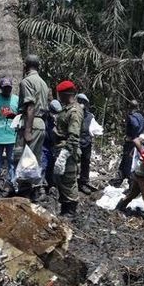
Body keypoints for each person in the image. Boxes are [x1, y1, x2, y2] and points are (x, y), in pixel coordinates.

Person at [14, 55, 50, 197]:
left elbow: (30, 106)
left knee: (23, 158)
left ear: (25, 66)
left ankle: (25, 192)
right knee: (35, 158)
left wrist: (27, 131)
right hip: (40, 124)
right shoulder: (43, 83)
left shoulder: (26, 82)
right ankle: (38, 188)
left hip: (31, 122)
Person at [53, 81, 84, 216]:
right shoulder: (66, 109)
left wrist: (64, 154)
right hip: (61, 147)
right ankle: (65, 208)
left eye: (60, 94)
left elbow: (74, 135)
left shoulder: (74, 111)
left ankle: (71, 210)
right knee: (62, 181)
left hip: (68, 151)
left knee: (69, 180)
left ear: (65, 94)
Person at [116, 133, 144, 223]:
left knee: (133, 193)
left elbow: (132, 153)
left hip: (137, 172)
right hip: (142, 173)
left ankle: (119, 207)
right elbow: (136, 141)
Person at [115, 100, 144, 185]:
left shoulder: (131, 116)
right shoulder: (141, 116)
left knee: (128, 161)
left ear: (130, 107)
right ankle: (120, 178)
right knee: (130, 160)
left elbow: (135, 125)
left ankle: (130, 182)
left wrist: (133, 136)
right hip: (138, 142)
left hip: (131, 142)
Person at [76, 93, 95, 195]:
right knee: (73, 163)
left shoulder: (90, 116)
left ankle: (83, 182)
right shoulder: (73, 113)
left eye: (83, 102)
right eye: (79, 101)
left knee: (85, 163)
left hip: (86, 142)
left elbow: (95, 129)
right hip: (75, 142)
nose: (81, 104)